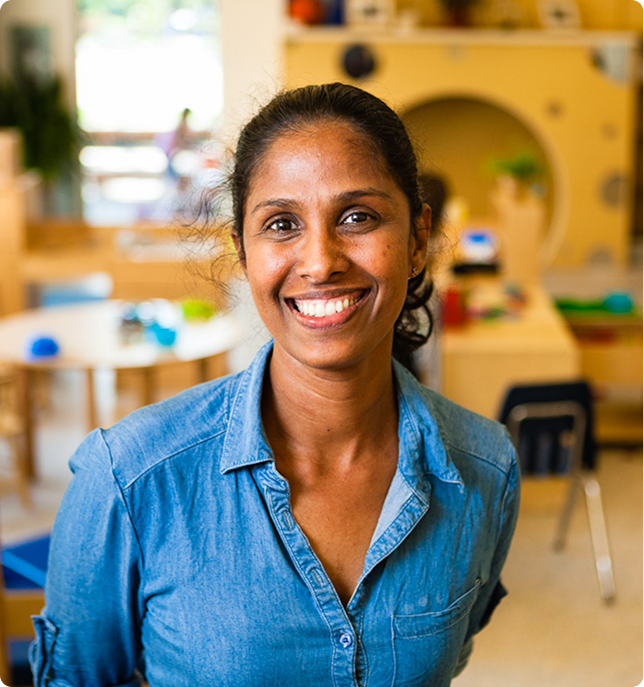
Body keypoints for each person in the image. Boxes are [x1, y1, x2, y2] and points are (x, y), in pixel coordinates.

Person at [30, 83, 520, 686]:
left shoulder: (485, 469)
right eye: (282, 224)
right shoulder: (130, 481)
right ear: (241, 250)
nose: (320, 261)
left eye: (358, 216)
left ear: (418, 239)